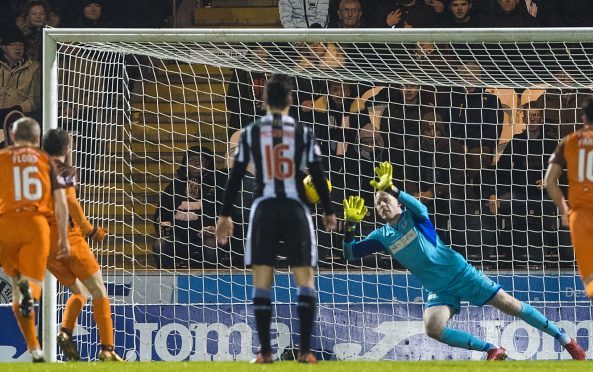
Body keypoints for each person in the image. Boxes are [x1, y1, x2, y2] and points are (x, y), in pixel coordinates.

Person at [341, 161, 586, 360]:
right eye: (378, 203)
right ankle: (492, 349)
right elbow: (351, 253)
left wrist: (394, 189)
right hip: (439, 288)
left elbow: (420, 207)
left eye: (386, 200)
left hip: (461, 274)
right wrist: (350, 226)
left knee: (511, 305)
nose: (382, 204)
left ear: (398, 204)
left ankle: (566, 340)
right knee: (432, 327)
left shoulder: (414, 218)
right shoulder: (381, 236)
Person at [215, 74, 337, 364]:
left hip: (264, 208)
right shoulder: (303, 131)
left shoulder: (252, 132)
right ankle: (306, 350)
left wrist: (225, 214)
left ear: (265, 101)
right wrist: (329, 210)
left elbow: (235, 177)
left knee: (262, 278)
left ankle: (265, 352)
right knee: (305, 279)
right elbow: (318, 174)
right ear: (291, 101)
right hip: (296, 208)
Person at [41, 128, 122, 362]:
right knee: (99, 290)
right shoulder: (64, 170)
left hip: (45, 247)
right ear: (67, 149)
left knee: (80, 292)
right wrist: (90, 229)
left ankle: (65, 332)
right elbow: (69, 201)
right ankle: (107, 349)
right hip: (69, 238)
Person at [0, 117, 70, 362]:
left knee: (19, 294)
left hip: (7, 225)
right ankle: (31, 293)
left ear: (12, 137)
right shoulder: (46, 161)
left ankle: (35, 349)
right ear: (38, 139)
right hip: (36, 226)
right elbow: (61, 202)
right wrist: (63, 237)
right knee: (30, 287)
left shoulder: (2, 158)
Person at [545, 96, 593, 298]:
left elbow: (549, 181)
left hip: (580, 217)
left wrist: (564, 210)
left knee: (590, 280)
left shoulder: (568, 142)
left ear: (583, 117)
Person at [153, 145, 218, 269]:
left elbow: (223, 213)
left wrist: (213, 228)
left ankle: (212, 284)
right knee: (160, 244)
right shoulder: (175, 186)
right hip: (179, 239)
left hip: (205, 239)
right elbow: (161, 213)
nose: (195, 164)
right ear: (185, 163)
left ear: (208, 163)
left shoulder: (216, 186)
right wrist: (164, 225)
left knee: (211, 245)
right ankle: (167, 282)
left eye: (200, 160)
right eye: (192, 160)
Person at [0, 27, 40, 117]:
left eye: (21, 45)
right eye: (13, 44)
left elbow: (35, 99)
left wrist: (17, 109)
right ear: (3, 47)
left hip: (20, 118)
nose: (18, 48)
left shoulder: (34, 68)